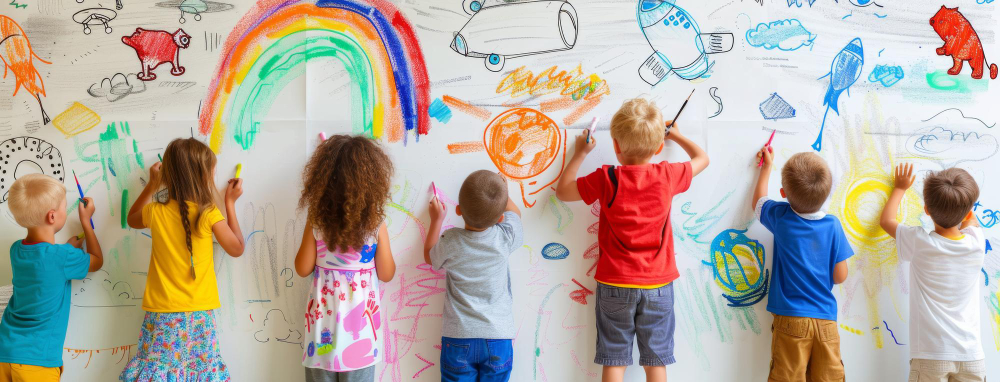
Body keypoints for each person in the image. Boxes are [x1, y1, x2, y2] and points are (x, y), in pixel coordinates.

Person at [555, 98, 709, 382]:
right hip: (658, 285)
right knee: (656, 361)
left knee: (614, 359)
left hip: (615, 283)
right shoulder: (668, 174)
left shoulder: (606, 178)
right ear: (659, 147)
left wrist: (580, 153)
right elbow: (703, 159)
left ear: (615, 145)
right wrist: (677, 136)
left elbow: (563, 191)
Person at [120, 138, 245, 381]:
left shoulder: (155, 211)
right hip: (198, 315)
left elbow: (131, 218)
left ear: (168, 175)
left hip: (162, 314)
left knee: (160, 373)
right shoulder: (208, 213)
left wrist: (152, 185)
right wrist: (229, 203)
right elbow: (237, 248)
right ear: (203, 176)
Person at [294, 135, 396, 382]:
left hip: (322, 335)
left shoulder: (317, 223)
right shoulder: (375, 225)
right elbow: (386, 273)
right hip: (360, 338)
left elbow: (302, 268)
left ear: (323, 182)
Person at [752, 147, 853, 382]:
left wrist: (766, 168)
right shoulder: (833, 225)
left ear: (783, 193)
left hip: (791, 319)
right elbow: (840, 276)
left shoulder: (781, 217)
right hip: (826, 321)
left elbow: (758, 203)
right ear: (827, 194)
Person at [879, 165, 987, 382]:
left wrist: (900, 188)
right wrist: (963, 206)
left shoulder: (919, 242)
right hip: (971, 355)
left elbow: (886, 221)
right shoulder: (977, 242)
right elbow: (970, 220)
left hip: (931, 355)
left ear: (926, 210)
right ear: (968, 211)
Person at [0, 174, 103, 382]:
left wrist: (66, 249)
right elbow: (97, 261)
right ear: (52, 217)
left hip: (5, 352)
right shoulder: (63, 257)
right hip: (37, 362)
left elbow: (42, 261)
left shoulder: (16, 250)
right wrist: (86, 222)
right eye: (65, 207)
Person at [425, 170, 523, 382]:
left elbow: (430, 257)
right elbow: (516, 214)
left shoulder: (451, 240)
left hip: (458, 337)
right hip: (498, 337)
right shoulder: (505, 237)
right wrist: (503, 191)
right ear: (500, 218)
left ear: (458, 210)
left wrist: (436, 220)